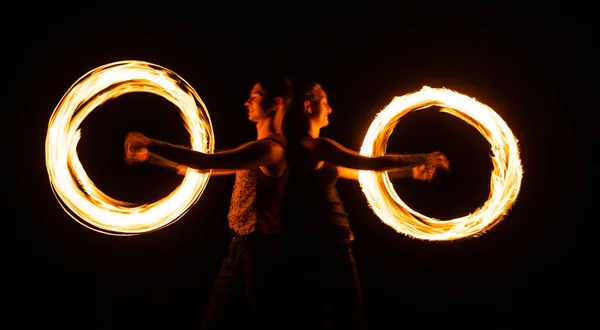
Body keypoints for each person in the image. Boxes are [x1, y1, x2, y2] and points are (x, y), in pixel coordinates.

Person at [123, 76, 294, 329]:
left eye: (254, 97)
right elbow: (195, 170)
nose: (246, 102)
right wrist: (151, 157)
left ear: (274, 104)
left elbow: (205, 162)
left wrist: (151, 142)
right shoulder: (254, 149)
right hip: (239, 249)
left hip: (262, 252)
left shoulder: (271, 149)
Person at [280, 80, 451, 329]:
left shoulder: (309, 149)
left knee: (329, 312)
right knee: (344, 314)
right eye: (325, 103)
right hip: (325, 242)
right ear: (308, 107)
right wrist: (423, 157)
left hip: (326, 239)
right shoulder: (314, 146)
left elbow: (356, 172)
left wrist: (409, 173)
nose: (330, 110)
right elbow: (372, 163)